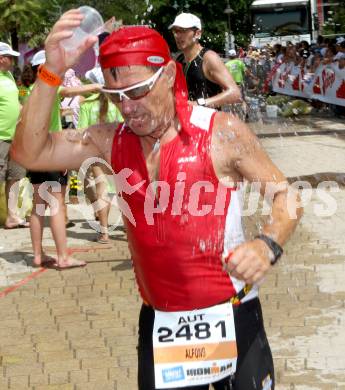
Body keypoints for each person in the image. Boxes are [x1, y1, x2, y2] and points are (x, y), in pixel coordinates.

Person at [12, 10, 302, 389]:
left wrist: (266, 245)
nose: (127, 108)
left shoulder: (221, 133)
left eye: (136, 92)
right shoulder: (109, 139)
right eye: (115, 97)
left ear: (167, 76)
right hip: (162, 321)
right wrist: (50, 71)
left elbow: (286, 195)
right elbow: (28, 153)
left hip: (232, 313)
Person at [26, 49, 101, 269]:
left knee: (38, 206)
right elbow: (70, 90)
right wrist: (98, 86)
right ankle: (63, 257)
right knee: (57, 204)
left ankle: (38, 256)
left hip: (34, 153)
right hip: (49, 153)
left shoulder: (31, 89)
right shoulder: (48, 86)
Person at [78, 66, 123, 243]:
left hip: (97, 154)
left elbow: (82, 132)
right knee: (123, 193)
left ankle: (104, 233)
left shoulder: (87, 105)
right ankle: (129, 228)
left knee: (101, 192)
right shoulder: (119, 102)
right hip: (118, 150)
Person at [169, 13, 241, 108]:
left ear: (198, 33)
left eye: (183, 30)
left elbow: (235, 93)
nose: (177, 35)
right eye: (175, 31)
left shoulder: (208, 58)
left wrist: (199, 103)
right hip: (187, 120)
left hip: (210, 120)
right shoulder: (179, 60)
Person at [0, 42, 29, 229]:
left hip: (15, 136)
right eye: (9, 57)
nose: (12, 60)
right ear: (2, 58)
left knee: (15, 176)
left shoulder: (9, 77)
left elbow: (16, 102)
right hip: (0, 137)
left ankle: (12, 216)